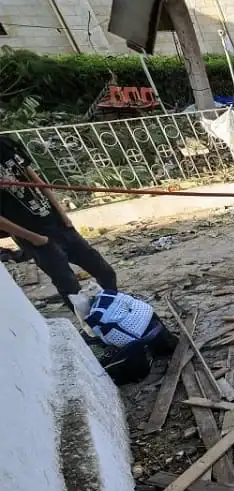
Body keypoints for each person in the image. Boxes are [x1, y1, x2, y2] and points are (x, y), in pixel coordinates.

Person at [0, 134, 119, 306]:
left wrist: (64, 216)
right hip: (34, 237)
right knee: (71, 288)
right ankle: (92, 327)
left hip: (57, 222)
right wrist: (36, 239)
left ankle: (114, 308)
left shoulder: (4, 144)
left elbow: (36, 180)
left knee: (105, 271)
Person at [69, 289, 177, 383]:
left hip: (134, 337)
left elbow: (107, 341)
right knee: (146, 332)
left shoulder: (94, 317)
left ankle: (141, 371)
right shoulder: (107, 294)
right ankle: (166, 347)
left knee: (127, 347)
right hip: (149, 315)